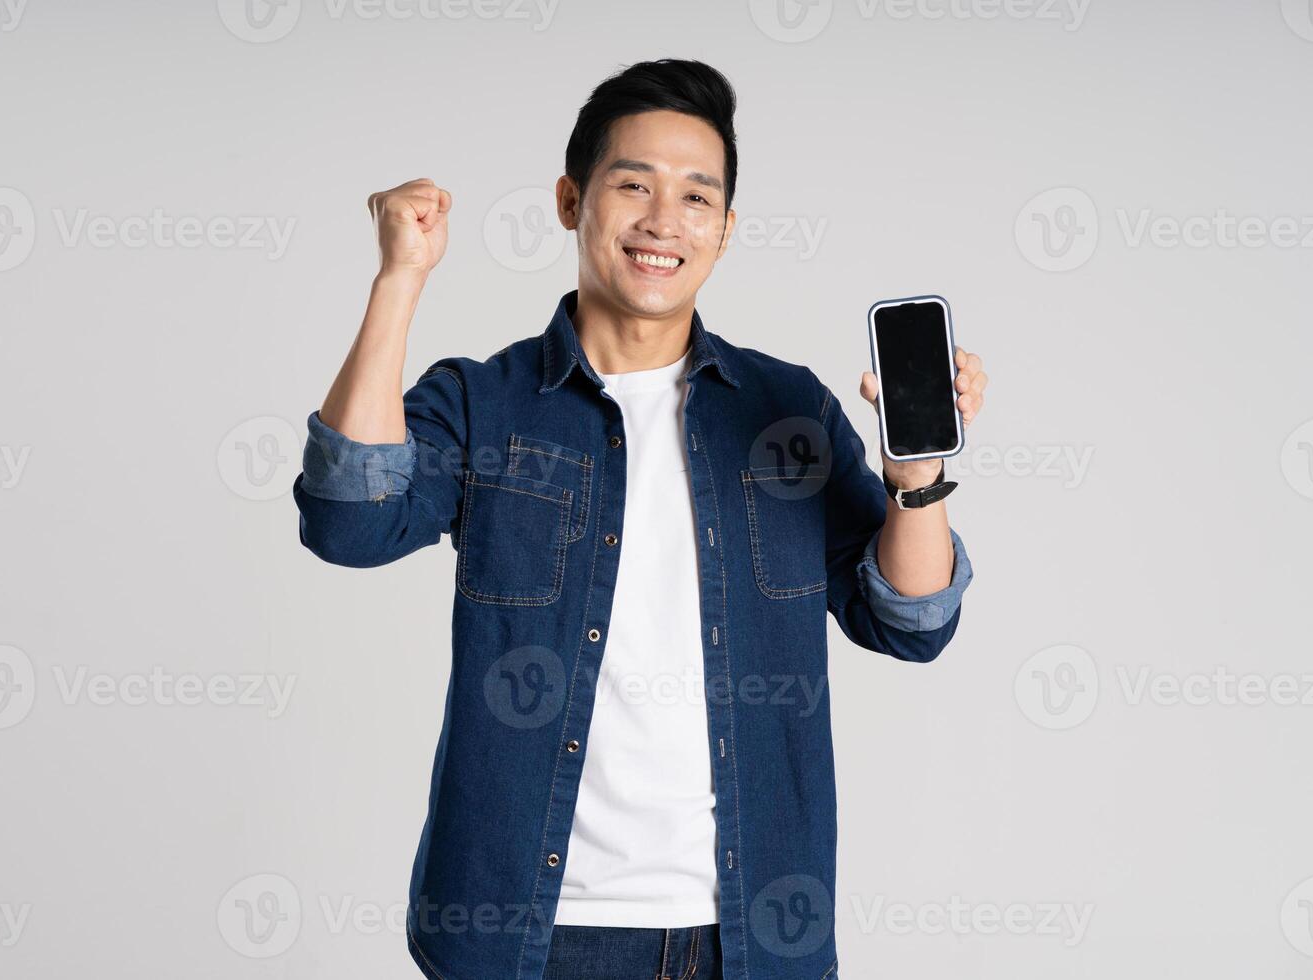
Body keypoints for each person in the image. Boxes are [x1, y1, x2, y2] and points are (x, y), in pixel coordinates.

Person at [294, 58, 986, 980]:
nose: (665, 221)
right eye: (634, 186)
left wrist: (917, 476)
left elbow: (911, 621)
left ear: (726, 230)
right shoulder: (486, 401)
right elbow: (350, 522)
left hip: (749, 938)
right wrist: (400, 278)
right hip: (527, 939)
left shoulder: (787, 411)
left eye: (698, 198)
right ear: (570, 200)